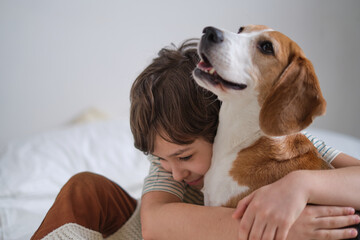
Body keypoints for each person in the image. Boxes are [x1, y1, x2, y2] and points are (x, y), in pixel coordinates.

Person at [31, 39, 360, 240]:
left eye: (185, 157)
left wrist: (300, 185)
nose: (174, 171)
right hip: (128, 231)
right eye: (161, 158)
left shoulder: (274, 143)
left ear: (222, 129)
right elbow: (155, 224)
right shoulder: (169, 163)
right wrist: (275, 233)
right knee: (85, 189)